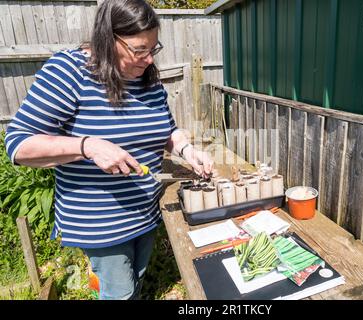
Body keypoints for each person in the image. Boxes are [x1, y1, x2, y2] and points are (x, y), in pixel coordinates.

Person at [4, 0, 213, 300]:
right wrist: (87, 146)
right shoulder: (69, 71)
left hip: (146, 212)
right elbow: (18, 143)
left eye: (153, 49)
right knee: (120, 293)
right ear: (107, 38)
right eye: (139, 50)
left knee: (136, 280)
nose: (149, 60)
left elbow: (166, 128)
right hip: (101, 223)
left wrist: (186, 149)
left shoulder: (147, 80)